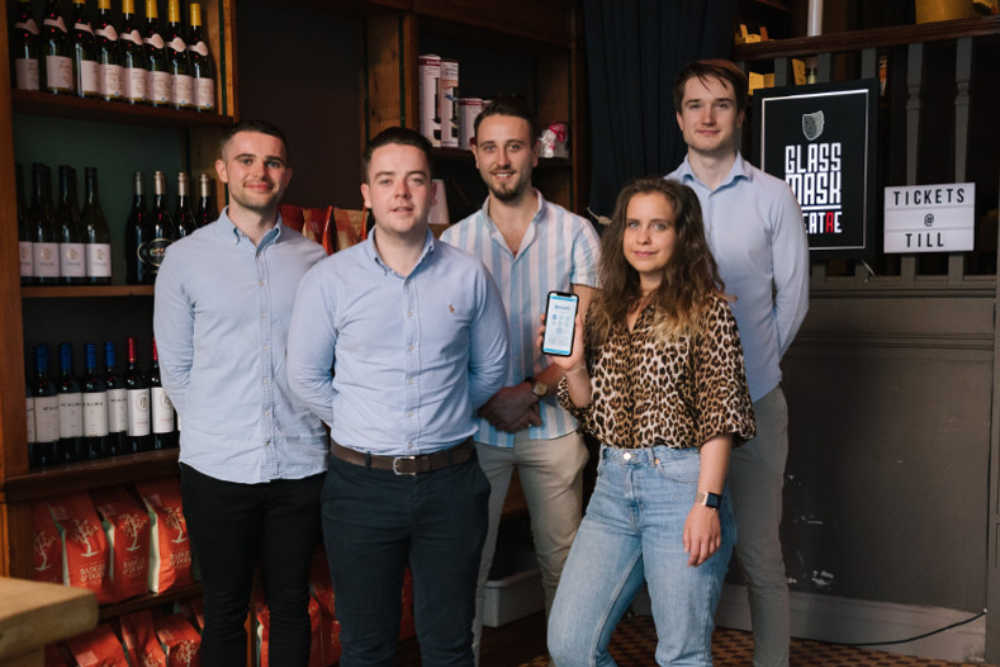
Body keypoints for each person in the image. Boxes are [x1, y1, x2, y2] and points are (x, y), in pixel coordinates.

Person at [286, 127, 510, 667]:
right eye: (387, 181)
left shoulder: (468, 275)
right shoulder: (330, 279)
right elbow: (305, 376)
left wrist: (445, 412)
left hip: (451, 485)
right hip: (359, 489)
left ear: (432, 190)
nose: (402, 193)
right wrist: (367, 423)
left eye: (415, 180)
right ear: (367, 193)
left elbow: (491, 369)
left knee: (451, 645)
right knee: (365, 648)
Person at [546, 176, 755, 667]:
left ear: (682, 235)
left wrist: (707, 503)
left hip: (682, 487)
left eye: (658, 225)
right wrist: (574, 366)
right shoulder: (606, 312)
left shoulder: (708, 311)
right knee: (571, 646)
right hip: (612, 489)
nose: (642, 238)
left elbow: (720, 415)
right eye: (633, 225)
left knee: (681, 654)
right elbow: (587, 408)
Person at [153, 119, 328, 667]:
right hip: (217, 469)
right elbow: (176, 370)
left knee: (292, 605)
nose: (260, 172)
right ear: (222, 170)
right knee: (225, 609)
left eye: (272, 162)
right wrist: (218, 429)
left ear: (287, 175)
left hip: (300, 465)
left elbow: (326, 363)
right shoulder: (183, 258)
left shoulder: (317, 262)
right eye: (247, 161)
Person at [439, 96, 601, 660]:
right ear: (475, 158)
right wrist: (493, 401)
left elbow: (584, 338)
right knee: (466, 568)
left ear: (535, 153)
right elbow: (444, 350)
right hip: (475, 435)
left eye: (514, 146)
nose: (502, 158)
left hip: (552, 429)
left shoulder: (578, 235)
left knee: (565, 569)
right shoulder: (452, 243)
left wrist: (527, 392)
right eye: (490, 147)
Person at [666, 59, 810, 667]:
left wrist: (746, 377)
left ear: (740, 116)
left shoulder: (774, 195)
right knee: (680, 558)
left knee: (761, 558)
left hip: (754, 402)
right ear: (679, 119)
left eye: (720, 104)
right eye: (695, 105)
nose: (707, 116)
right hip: (676, 411)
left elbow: (794, 301)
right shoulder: (659, 199)